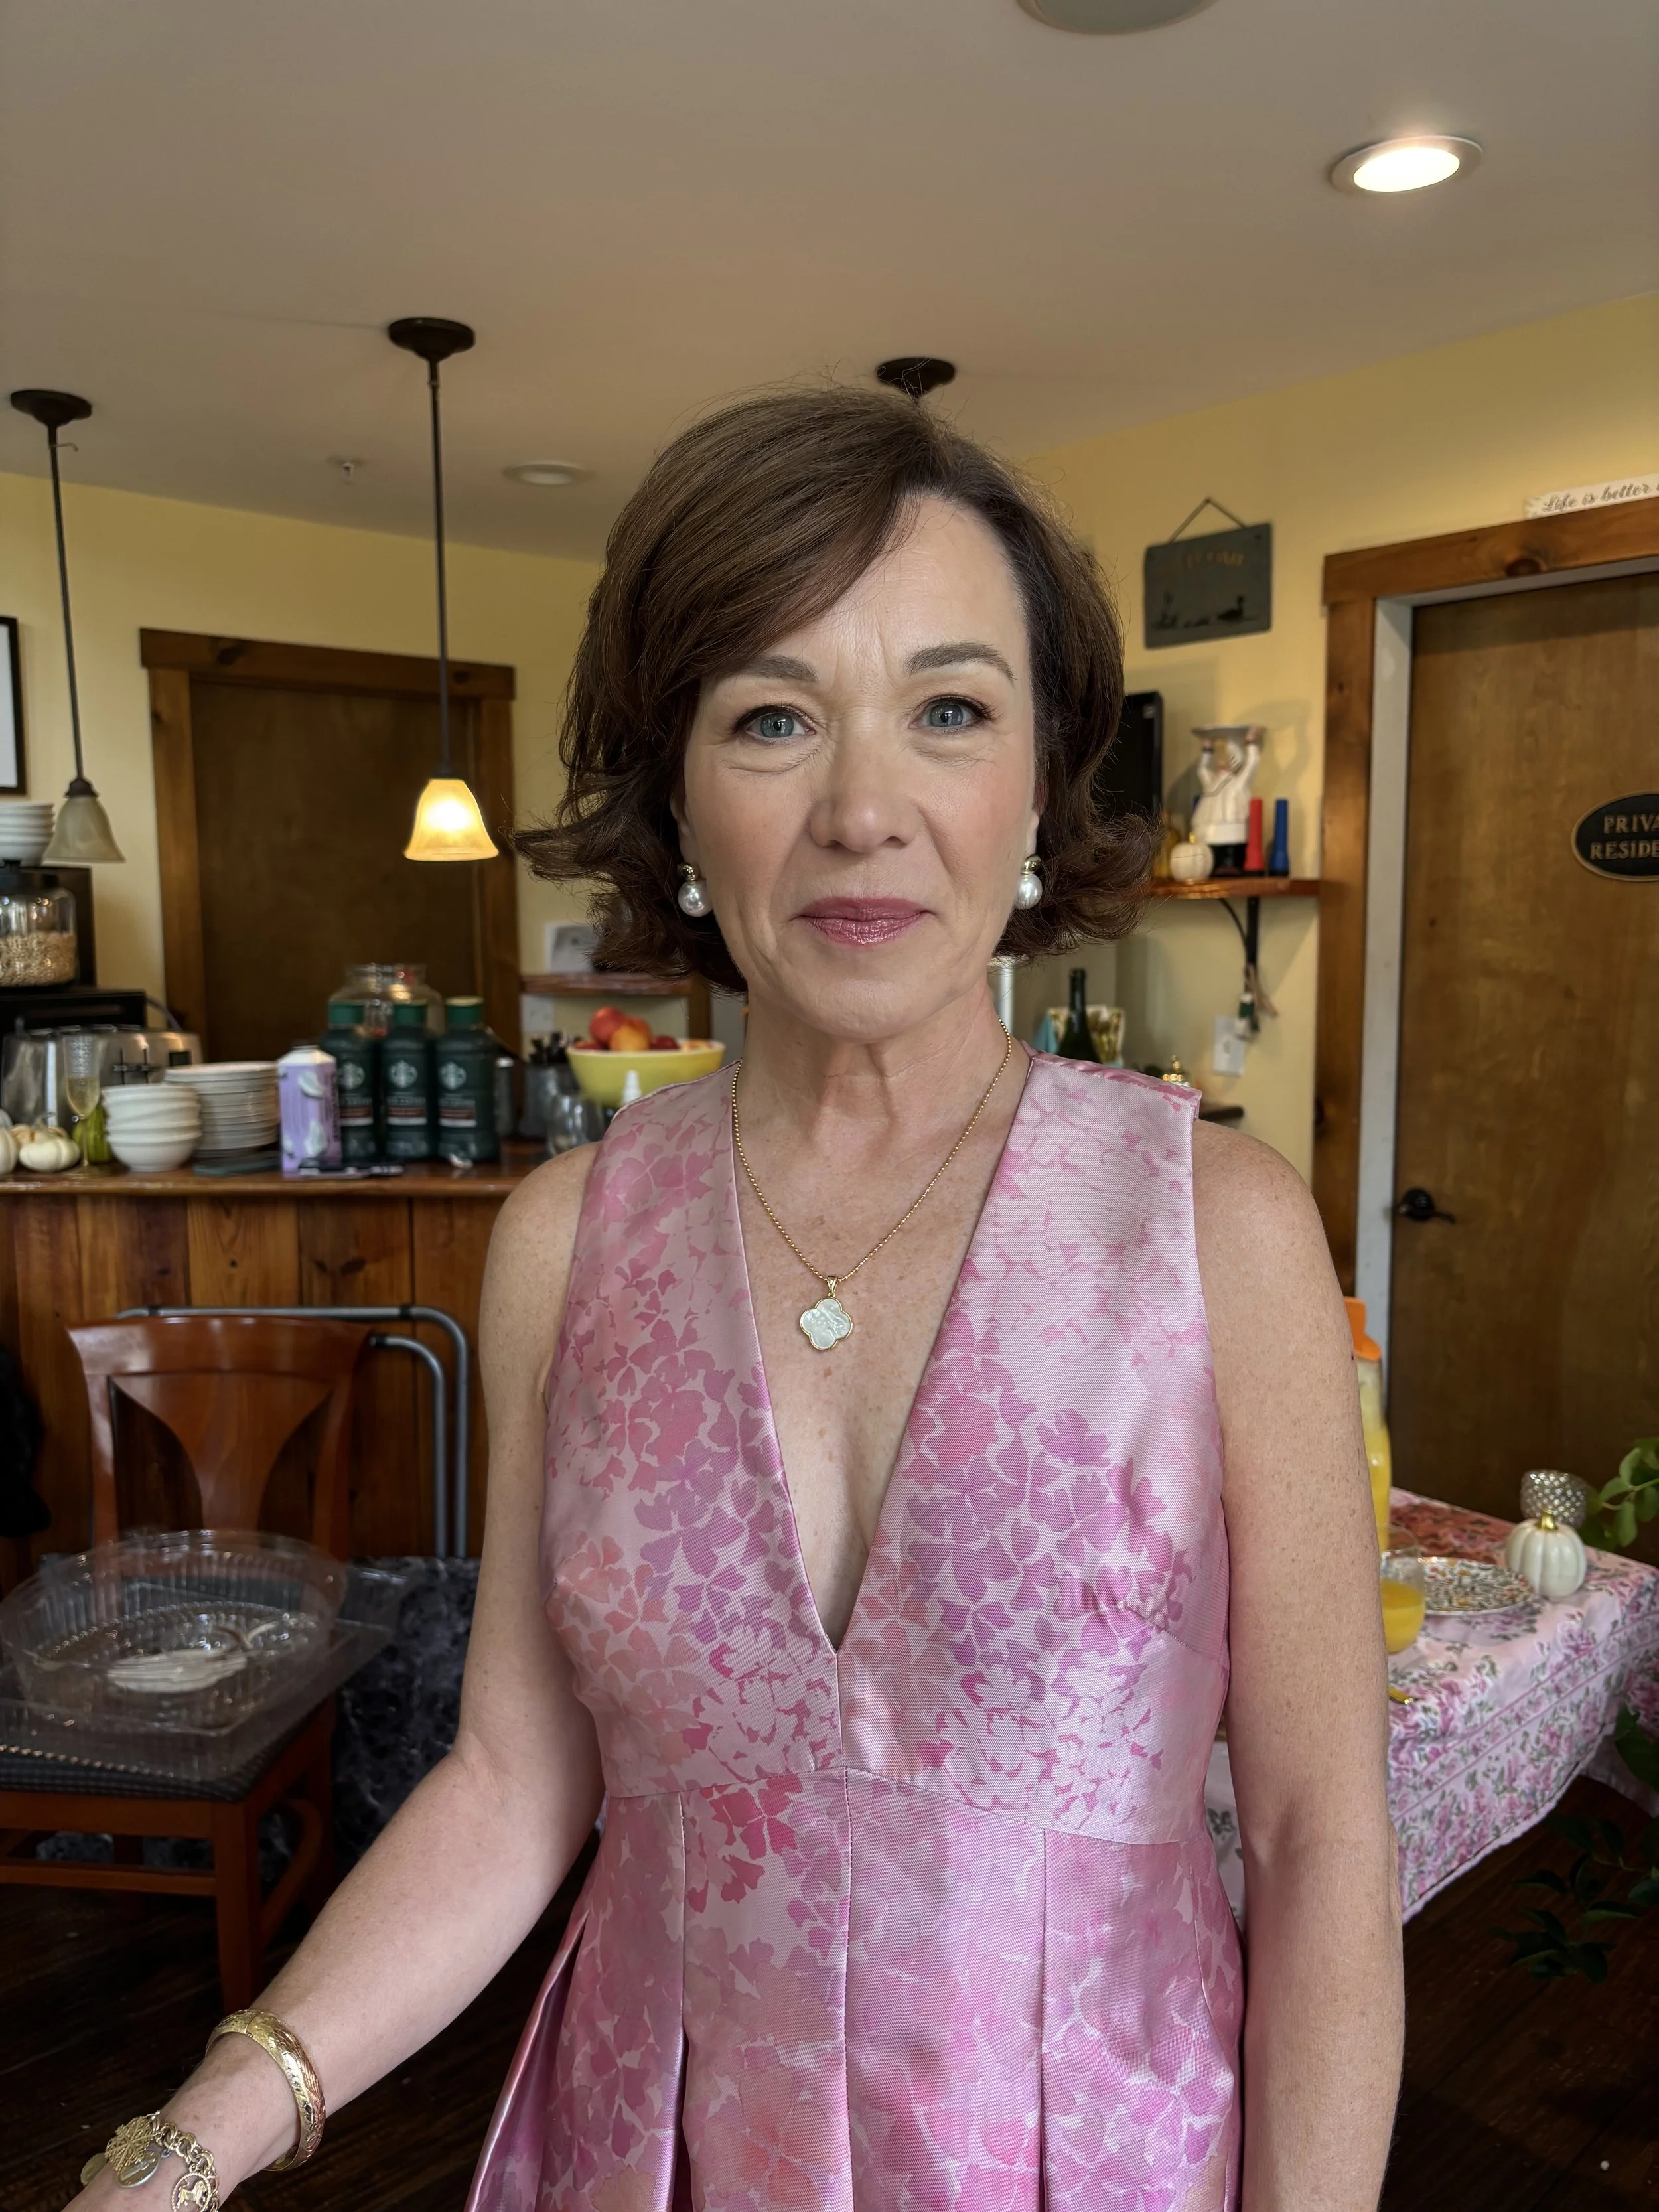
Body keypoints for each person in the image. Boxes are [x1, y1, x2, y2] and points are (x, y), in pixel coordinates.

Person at [70, 390, 1400, 2212]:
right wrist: (179, 2148)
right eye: (773, 717)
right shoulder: (567, 1238)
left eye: (949, 708)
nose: (864, 808)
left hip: (1102, 2157)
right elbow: (509, 1790)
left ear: (1034, 781)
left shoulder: (1217, 1230)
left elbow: (1326, 1842)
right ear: (676, 794)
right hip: (662, 2153)